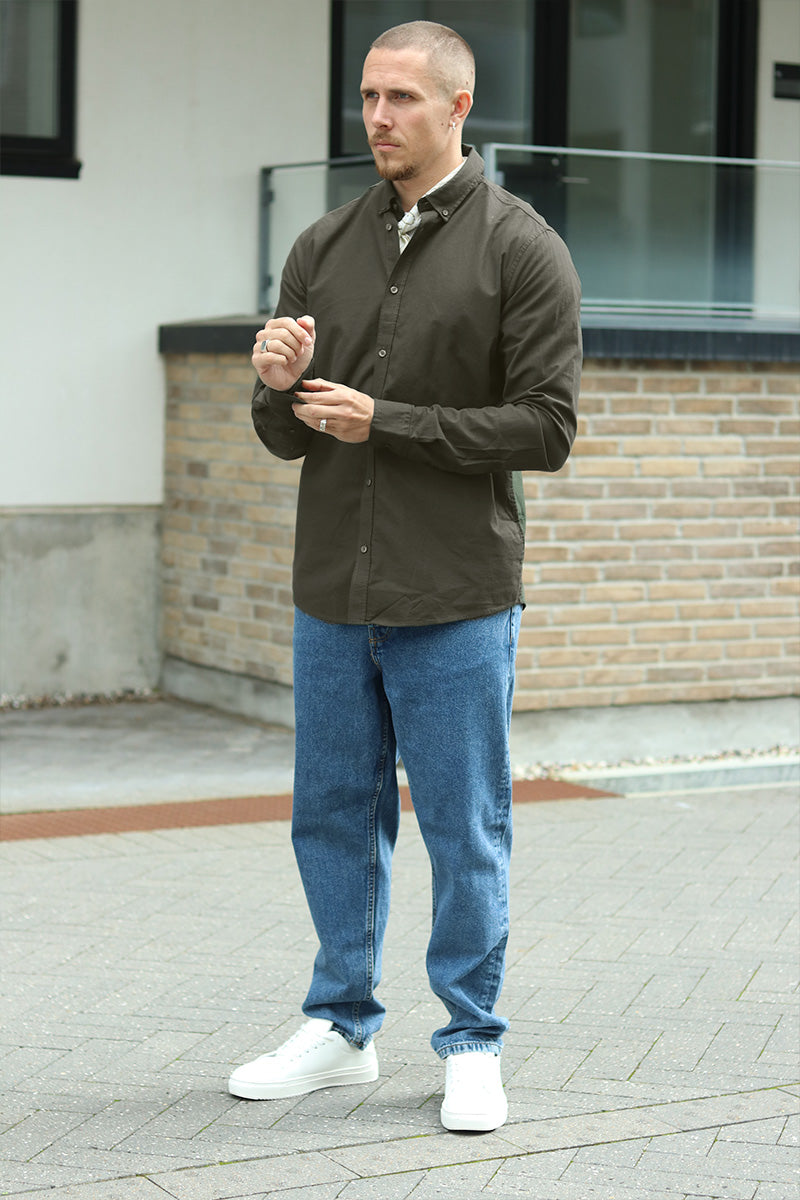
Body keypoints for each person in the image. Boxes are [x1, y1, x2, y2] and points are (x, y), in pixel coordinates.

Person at [228, 20, 581, 1132]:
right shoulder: (322, 245)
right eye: (368, 96)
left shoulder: (523, 249)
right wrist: (277, 384)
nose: (377, 117)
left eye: (401, 98)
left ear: (458, 107)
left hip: (454, 595)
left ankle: (472, 1041)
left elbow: (547, 428)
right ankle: (341, 1029)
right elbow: (284, 436)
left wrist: (388, 420)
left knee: (463, 828)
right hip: (333, 590)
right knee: (332, 816)